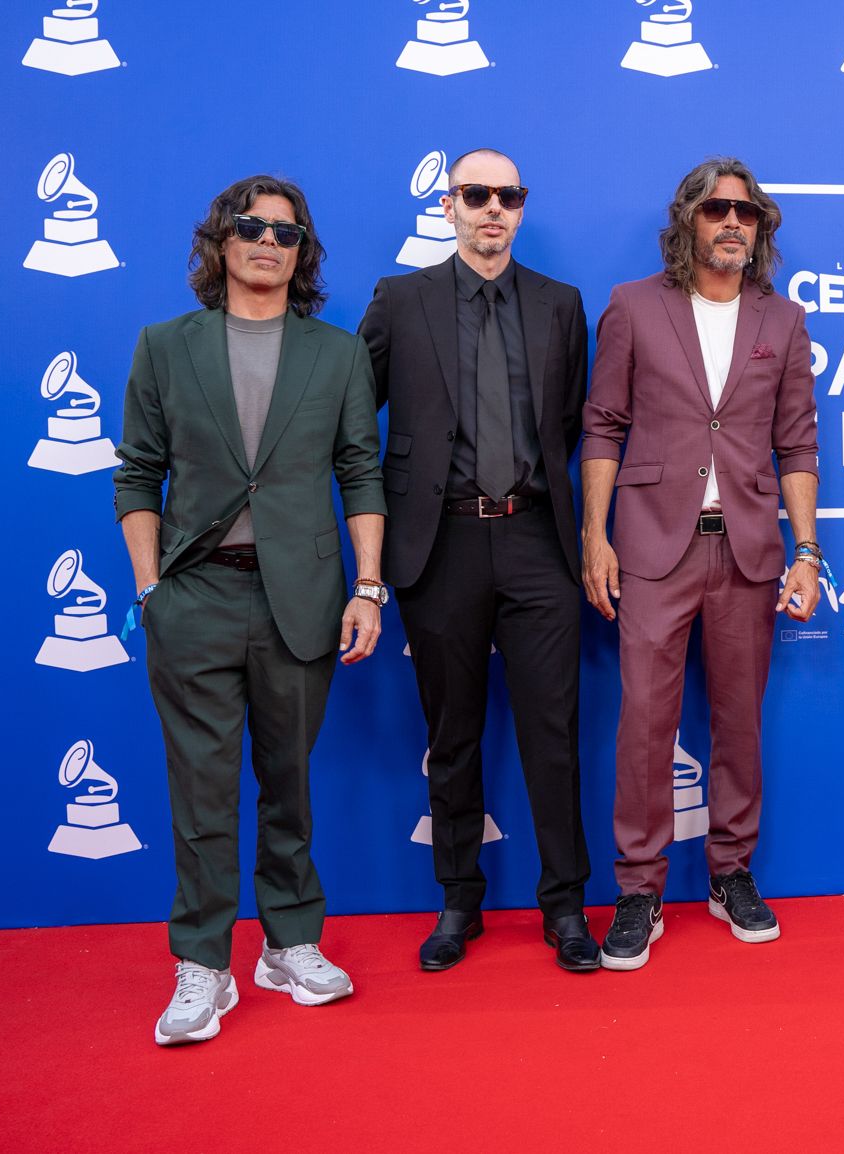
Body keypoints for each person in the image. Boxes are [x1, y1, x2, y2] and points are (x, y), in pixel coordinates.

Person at [116, 175, 385, 1045]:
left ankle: (290, 943)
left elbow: (359, 473)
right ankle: (202, 965)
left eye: (285, 230)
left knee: (288, 784)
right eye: (249, 225)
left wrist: (368, 585)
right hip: (193, 596)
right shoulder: (165, 346)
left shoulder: (339, 354)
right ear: (219, 240)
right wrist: (152, 588)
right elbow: (137, 473)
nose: (266, 240)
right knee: (200, 793)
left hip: (300, 599)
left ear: (301, 251)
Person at [359, 148, 599, 972]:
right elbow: (357, 418)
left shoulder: (561, 306)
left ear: (521, 209)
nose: (491, 208)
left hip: (537, 538)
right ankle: (458, 900)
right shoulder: (401, 299)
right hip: (440, 541)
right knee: (451, 734)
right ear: (448, 204)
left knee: (553, 734)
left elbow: (566, 424)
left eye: (507, 195)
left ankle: (565, 906)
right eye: (475, 194)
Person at [581, 156, 820, 971]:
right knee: (645, 723)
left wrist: (807, 551)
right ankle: (640, 888)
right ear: (688, 218)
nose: (731, 223)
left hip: (749, 547)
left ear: (761, 229)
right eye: (716, 209)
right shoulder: (633, 307)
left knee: (738, 722)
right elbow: (603, 425)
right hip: (652, 546)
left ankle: (730, 873)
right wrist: (594, 534)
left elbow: (797, 443)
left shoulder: (781, 321)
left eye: (746, 214)